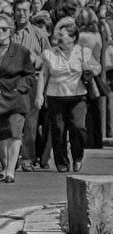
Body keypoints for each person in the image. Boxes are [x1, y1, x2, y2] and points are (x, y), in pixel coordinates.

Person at [36, 17, 96, 174]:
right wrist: (39, 95)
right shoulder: (50, 53)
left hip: (78, 96)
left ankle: (77, 156)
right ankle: (62, 162)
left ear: (73, 37)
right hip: (56, 96)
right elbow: (43, 74)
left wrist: (89, 68)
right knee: (59, 130)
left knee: (78, 127)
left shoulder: (82, 52)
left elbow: (97, 68)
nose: (58, 37)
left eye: (62, 35)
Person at [0, 16, 38, 184]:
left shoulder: (21, 51)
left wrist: (19, 88)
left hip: (16, 99)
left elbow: (30, 75)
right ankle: (5, 165)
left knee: (15, 134)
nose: (1, 32)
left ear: (11, 31)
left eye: (4, 29)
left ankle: (10, 171)